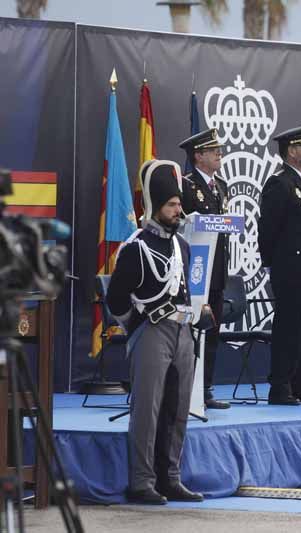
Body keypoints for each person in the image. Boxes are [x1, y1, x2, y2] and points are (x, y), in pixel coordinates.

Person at [107, 159, 203, 504]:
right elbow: (116, 298)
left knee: (178, 409)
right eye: (172, 205)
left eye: (179, 204)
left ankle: (170, 477)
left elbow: (183, 290)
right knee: (147, 410)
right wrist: (136, 327)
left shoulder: (183, 246)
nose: (179, 210)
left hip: (181, 332)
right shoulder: (136, 247)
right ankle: (141, 481)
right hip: (151, 330)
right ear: (155, 207)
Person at [257, 124, 301, 405]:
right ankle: (280, 387)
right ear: (291, 151)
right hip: (290, 269)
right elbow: (268, 229)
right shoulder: (280, 182)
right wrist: (272, 264)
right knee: (289, 329)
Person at [179, 128, 230, 410]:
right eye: (213, 151)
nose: (219, 154)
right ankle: (189, 386)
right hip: (196, 271)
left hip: (218, 269)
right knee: (193, 330)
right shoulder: (186, 186)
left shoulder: (221, 186)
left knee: (212, 331)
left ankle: (206, 388)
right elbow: (184, 226)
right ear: (198, 156)